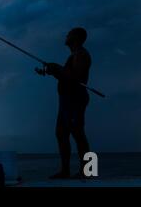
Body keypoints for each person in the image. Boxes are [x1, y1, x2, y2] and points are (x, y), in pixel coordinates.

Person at [36, 27, 92, 179]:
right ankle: (65, 170)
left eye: (70, 33)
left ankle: (88, 171)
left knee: (78, 133)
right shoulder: (74, 56)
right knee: (61, 133)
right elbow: (66, 77)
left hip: (75, 99)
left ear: (77, 37)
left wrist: (57, 68)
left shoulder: (81, 55)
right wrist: (53, 71)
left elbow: (76, 78)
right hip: (66, 100)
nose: (67, 35)